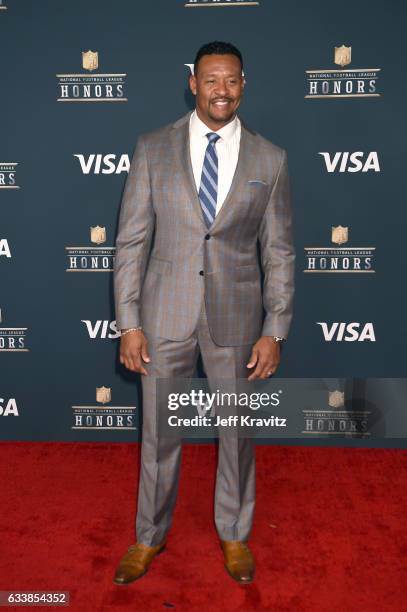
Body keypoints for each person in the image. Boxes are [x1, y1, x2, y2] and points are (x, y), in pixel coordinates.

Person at [113, 40, 295, 585]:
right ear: (193, 82)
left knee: (237, 434)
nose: (222, 90)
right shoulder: (152, 147)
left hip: (236, 319)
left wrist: (276, 329)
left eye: (232, 80)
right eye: (211, 79)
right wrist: (129, 323)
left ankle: (235, 534)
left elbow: (280, 252)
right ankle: (148, 537)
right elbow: (130, 243)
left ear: (244, 85)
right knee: (158, 435)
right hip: (163, 314)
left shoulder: (271, 158)